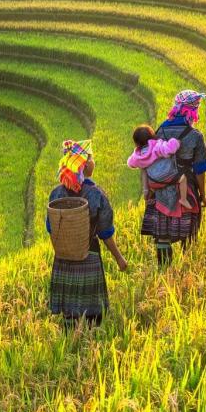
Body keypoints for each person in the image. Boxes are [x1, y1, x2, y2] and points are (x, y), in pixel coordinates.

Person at [46, 139, 128, 327]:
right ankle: (89, 349)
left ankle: (69, 344)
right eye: (91, 158)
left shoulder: (56, 194)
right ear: (85, 164)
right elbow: (105, 232)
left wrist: (64, 249)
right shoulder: (96, 194)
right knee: (93, 314)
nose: (94, 162)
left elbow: (50, 227)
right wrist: (119, 258)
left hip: (63, 258)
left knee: (69, 313)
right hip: (88, 254)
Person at [141, 91, 206, 268]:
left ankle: (164, 271)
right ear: (193, 111)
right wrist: (203, 195)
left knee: (162, 234)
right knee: (188, 231)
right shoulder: (196, 136)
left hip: (161, 189)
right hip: (185, 189)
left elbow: (148, 160)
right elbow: (200, 170)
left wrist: (147, 190)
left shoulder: (160, 130)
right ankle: (187, 271)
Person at [127, 125, 192, 213]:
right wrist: (176, 142)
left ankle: (149, 197)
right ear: (153, 137)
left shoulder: (138, 156)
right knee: (183, 178)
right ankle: (183, 199)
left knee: (147, 175)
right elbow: (170, 149)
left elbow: (130, 163)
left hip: (154, 183)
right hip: (169, 177)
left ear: (136, 143)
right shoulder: (157, 146)